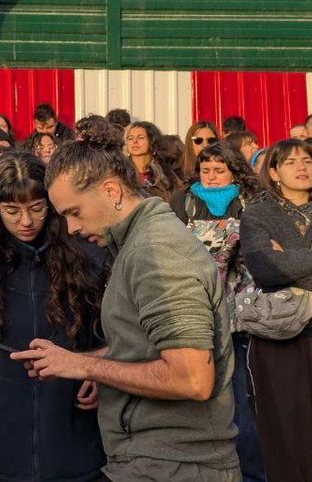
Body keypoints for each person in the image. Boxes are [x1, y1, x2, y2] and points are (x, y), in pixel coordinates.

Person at [16, 122, 239, 480]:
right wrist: (86, 361)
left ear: (112, 191)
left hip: (177, 466)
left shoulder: (158, 253)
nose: (71, 228)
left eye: (74, 212)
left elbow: (192, 378)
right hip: (158, 461)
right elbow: (148, 346)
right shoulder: (138, 244)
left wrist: (87, 368)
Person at [0, 150, 106, 482]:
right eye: (12, 211)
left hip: (73, 449)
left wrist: (99, 373)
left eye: (36, 209)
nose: (25, 222)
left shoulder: (85, 255)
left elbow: (111, 332)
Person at [239, 140, 312, 481]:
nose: (302, 166)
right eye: (291, 161)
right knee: (284, 436)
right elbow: (266, 268)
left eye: (307, 160)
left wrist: (288, 256)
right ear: (275, 172)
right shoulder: (257, 213)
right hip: (277, 335)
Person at [170, 143, 266, 480]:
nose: (211, 177)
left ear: (234, 172)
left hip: (238, 314)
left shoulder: (250, 202)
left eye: (219, 170)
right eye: (206, 170)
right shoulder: (182, 200)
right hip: (195, 306)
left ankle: (249, 472)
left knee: (241, 399)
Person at [125, 121, 178, 201]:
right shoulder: (120, 171)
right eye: (130, 138)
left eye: (141, 137)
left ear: (152, 141)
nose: (134, 141)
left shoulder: (165, 173)